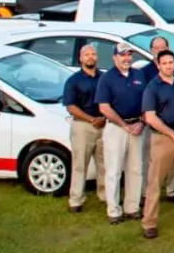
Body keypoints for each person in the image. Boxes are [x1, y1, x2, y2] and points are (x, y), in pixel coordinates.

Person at [139, 50, 174, 240]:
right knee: (155, 182)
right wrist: (172, 134)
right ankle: (149, 222)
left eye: (171, 62)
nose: (169, 66)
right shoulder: (152, 88)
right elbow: (150, 117)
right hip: (163, 138)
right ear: (158, 65)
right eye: (165, 63)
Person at [95, 45, 148, 224]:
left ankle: (132, 207)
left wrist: (141, 122)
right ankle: (114, 211)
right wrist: (125, 125)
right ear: (114, 57)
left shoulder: (139, 75)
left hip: (138, 127)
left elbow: (146, 102)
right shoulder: (106, 78)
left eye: (129, 55)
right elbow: (104, 107)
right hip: (116, 129)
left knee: (136, 169)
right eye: (122, 55)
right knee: (114, 170)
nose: (126, 58)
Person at [62, 43, 106, 215]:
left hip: (103, 125)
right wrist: (90, 119)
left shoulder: (103, 78)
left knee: (104, 164)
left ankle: (104, 195)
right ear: (80, 58)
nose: (90, 57)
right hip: (82, 126)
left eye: (93, 54)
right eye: (87, 54)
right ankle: (76, 199)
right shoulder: (73, 81)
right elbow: (70, 107)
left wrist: (102, 118)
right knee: (80, 164)